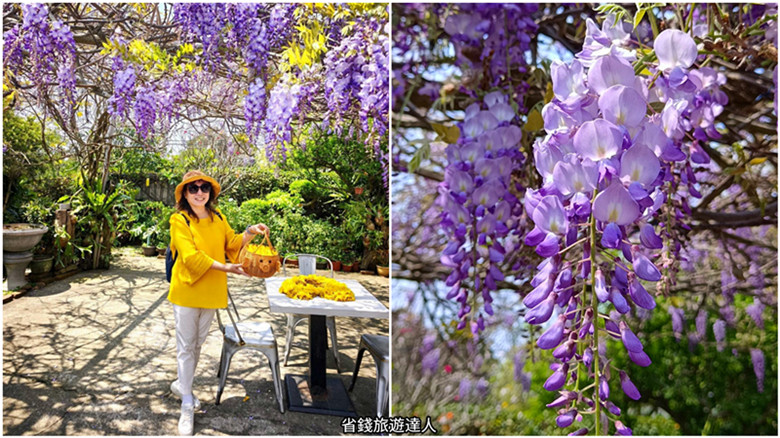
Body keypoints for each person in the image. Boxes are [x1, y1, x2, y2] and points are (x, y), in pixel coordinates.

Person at [167, 170, 268, 435]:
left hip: (212, 291)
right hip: (187, 290)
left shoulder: (218, 218)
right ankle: (187, 403)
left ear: (210, 193)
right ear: (184, 194)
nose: (199, 192)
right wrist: (226, 268)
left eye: (204, 188)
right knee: (186, 346)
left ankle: (181, 386)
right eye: (193, 188)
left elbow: (232, 245)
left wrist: (249, 233)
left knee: (197, 344)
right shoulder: (179, 220)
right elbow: (190, 257)